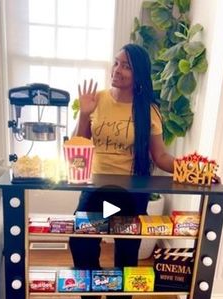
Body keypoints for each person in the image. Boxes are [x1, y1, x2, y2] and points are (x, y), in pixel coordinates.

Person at [69, 43, 175, 274]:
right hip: (97, 189)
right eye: (116, 62)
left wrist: (191, 168)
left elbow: (161, 156)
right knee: (81, 243)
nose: (117, 69)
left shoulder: (148, 111)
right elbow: (79, 149)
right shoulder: (96, 100)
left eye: (125, 66)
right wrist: (85, 114)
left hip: (130, 193)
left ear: (138, 74)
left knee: (126, 254)